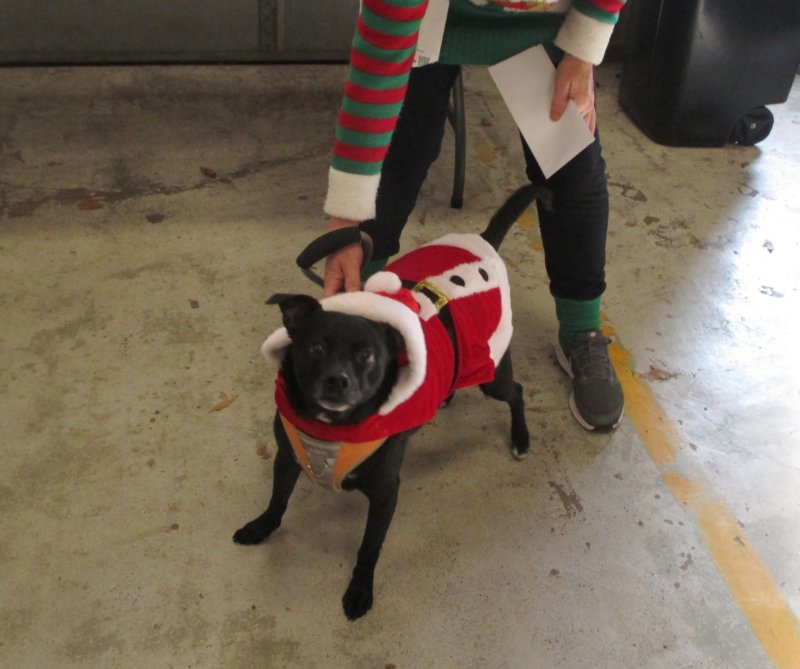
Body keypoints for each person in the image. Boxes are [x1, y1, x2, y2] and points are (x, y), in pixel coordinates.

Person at [319, 0, 625, 431]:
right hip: (434, 18)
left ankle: (581, 330)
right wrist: (345, 226)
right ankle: (361, 303)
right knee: (400, 157)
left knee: (572, 167)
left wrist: (583, 49)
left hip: (551, 21)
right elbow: (377, 73)